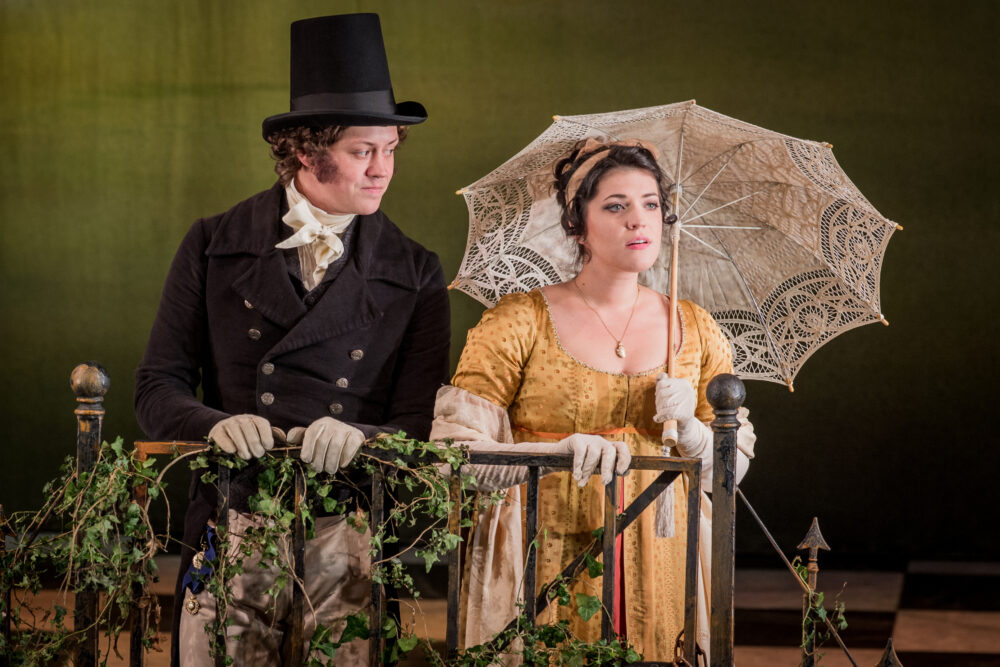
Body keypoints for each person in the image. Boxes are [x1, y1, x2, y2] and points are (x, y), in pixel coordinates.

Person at [134, 13, 450, 665]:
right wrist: (214, 423)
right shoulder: (213, 242)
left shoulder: (415, 271)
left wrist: (362, 437)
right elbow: (156, 387)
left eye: (391, 149)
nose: (383, 169)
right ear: (306, 151)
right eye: (365, 150)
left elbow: (418, 421)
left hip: (349, 531)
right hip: (232, 517)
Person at [430, 138, 756, 660]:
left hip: (661, 554)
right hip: (546, 545)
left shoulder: (695, 328)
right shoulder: (520, 322)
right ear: (577, 225)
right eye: (615, 206)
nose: (638, 221)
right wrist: (553, 454)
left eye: (651, 204)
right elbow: (456, 456)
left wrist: (694, 432)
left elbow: (729, 470)